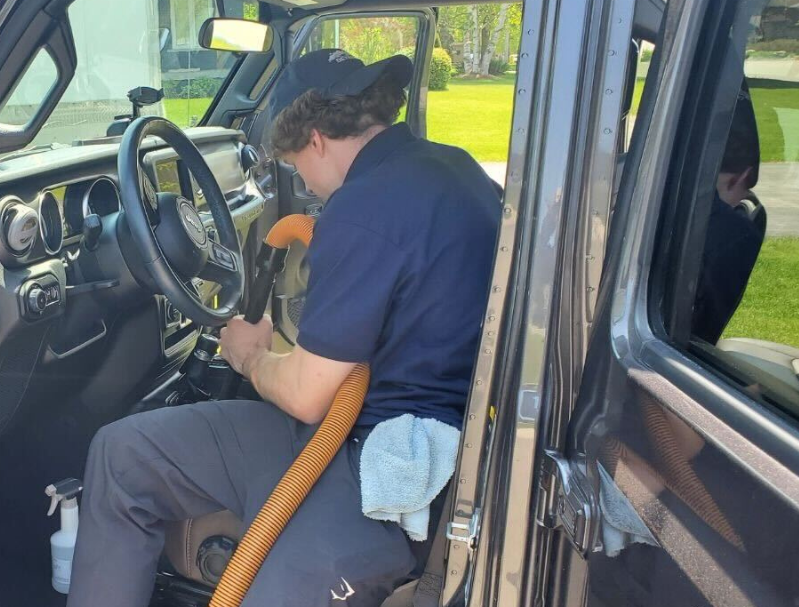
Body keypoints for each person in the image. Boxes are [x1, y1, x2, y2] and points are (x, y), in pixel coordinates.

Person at [68, 49, 501, 607]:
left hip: (382, 469)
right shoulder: (456, 166)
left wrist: (250, 355)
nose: (308, 186)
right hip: (434, 440)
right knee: (124, 455)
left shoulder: (361, 209)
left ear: (316, 138)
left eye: (298, 167)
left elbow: (304, 396)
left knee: (122, 456)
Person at [691, 88, 765, 344]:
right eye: (743, 196)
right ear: (741, 177)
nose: (737, 206)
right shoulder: (733, 236)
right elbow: (704, 333)